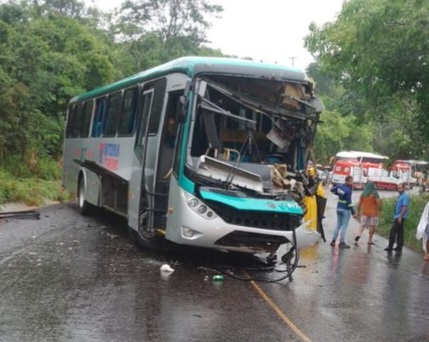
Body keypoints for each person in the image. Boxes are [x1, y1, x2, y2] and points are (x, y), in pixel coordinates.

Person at [330, 175, 357, 248]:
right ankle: (341, 242)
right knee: (344, 226)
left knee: (338, 224)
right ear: (346, 181)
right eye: (351, 181)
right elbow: (349, 202)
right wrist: (353, 212)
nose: (352, 183)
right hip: (345, 209)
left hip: (339, 208)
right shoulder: (348, 190)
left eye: (352, 181)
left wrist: (338, 194)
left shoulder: (340, 186)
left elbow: (332, 190)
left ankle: (333, 241)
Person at [384, 183, 410, 252]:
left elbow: (404, 207)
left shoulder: (405, 196)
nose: (399, 190)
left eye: (400, 188)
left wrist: (400, 217)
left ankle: (390, 246)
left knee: (393, 231)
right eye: (398, 188)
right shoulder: (400, 196)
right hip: (397, 215)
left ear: (404, 188)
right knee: (400, 231)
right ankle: (399, 246)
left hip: (400, 216)